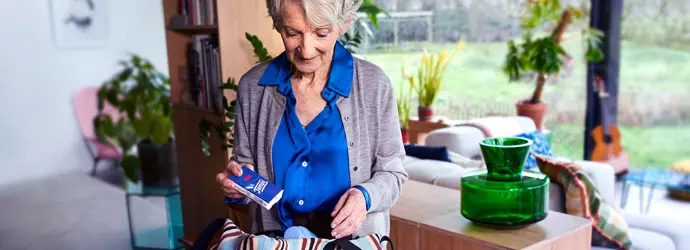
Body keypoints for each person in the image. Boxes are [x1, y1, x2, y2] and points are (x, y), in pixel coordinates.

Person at [215, 0, 408, 240]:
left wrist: (365, 197)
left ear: (343, 24)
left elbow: (393, 173)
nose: (306, 50)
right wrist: (239, 185)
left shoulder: (374, 85)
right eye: (292, 33)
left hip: (351, 243)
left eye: (322, 33)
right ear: (277, 25)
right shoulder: (253, 87)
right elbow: (243, 166)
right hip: (278, 242)